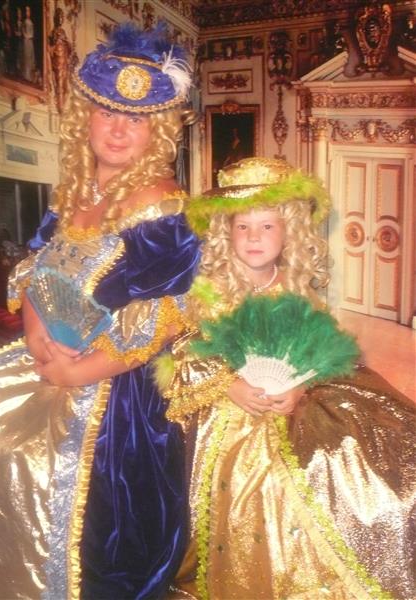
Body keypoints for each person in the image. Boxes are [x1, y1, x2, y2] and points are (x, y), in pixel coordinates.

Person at [0, 22, 200, 599]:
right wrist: (35, 336)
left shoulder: (163, 206)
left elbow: (164, 316)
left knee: (100, 539)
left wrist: (75, 373)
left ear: (157, 131)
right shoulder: (73, 195)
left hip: (118, 398)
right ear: (84, 118)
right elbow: (34, 273)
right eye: (107, 112)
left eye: (136, 119)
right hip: (50, 361)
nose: (118, 130)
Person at [154, 157, 416, 600]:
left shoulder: (294, 287)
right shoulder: (208, 289)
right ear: (226, 231)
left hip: (293, 408)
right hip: (226, 417)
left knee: (360, 460)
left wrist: (300, 387)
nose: (254, 237)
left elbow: (320, 353)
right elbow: (179, 352)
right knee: (258, 486)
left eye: (267, 226)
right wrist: (230, 384)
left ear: (289, 231)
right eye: (243, 226)